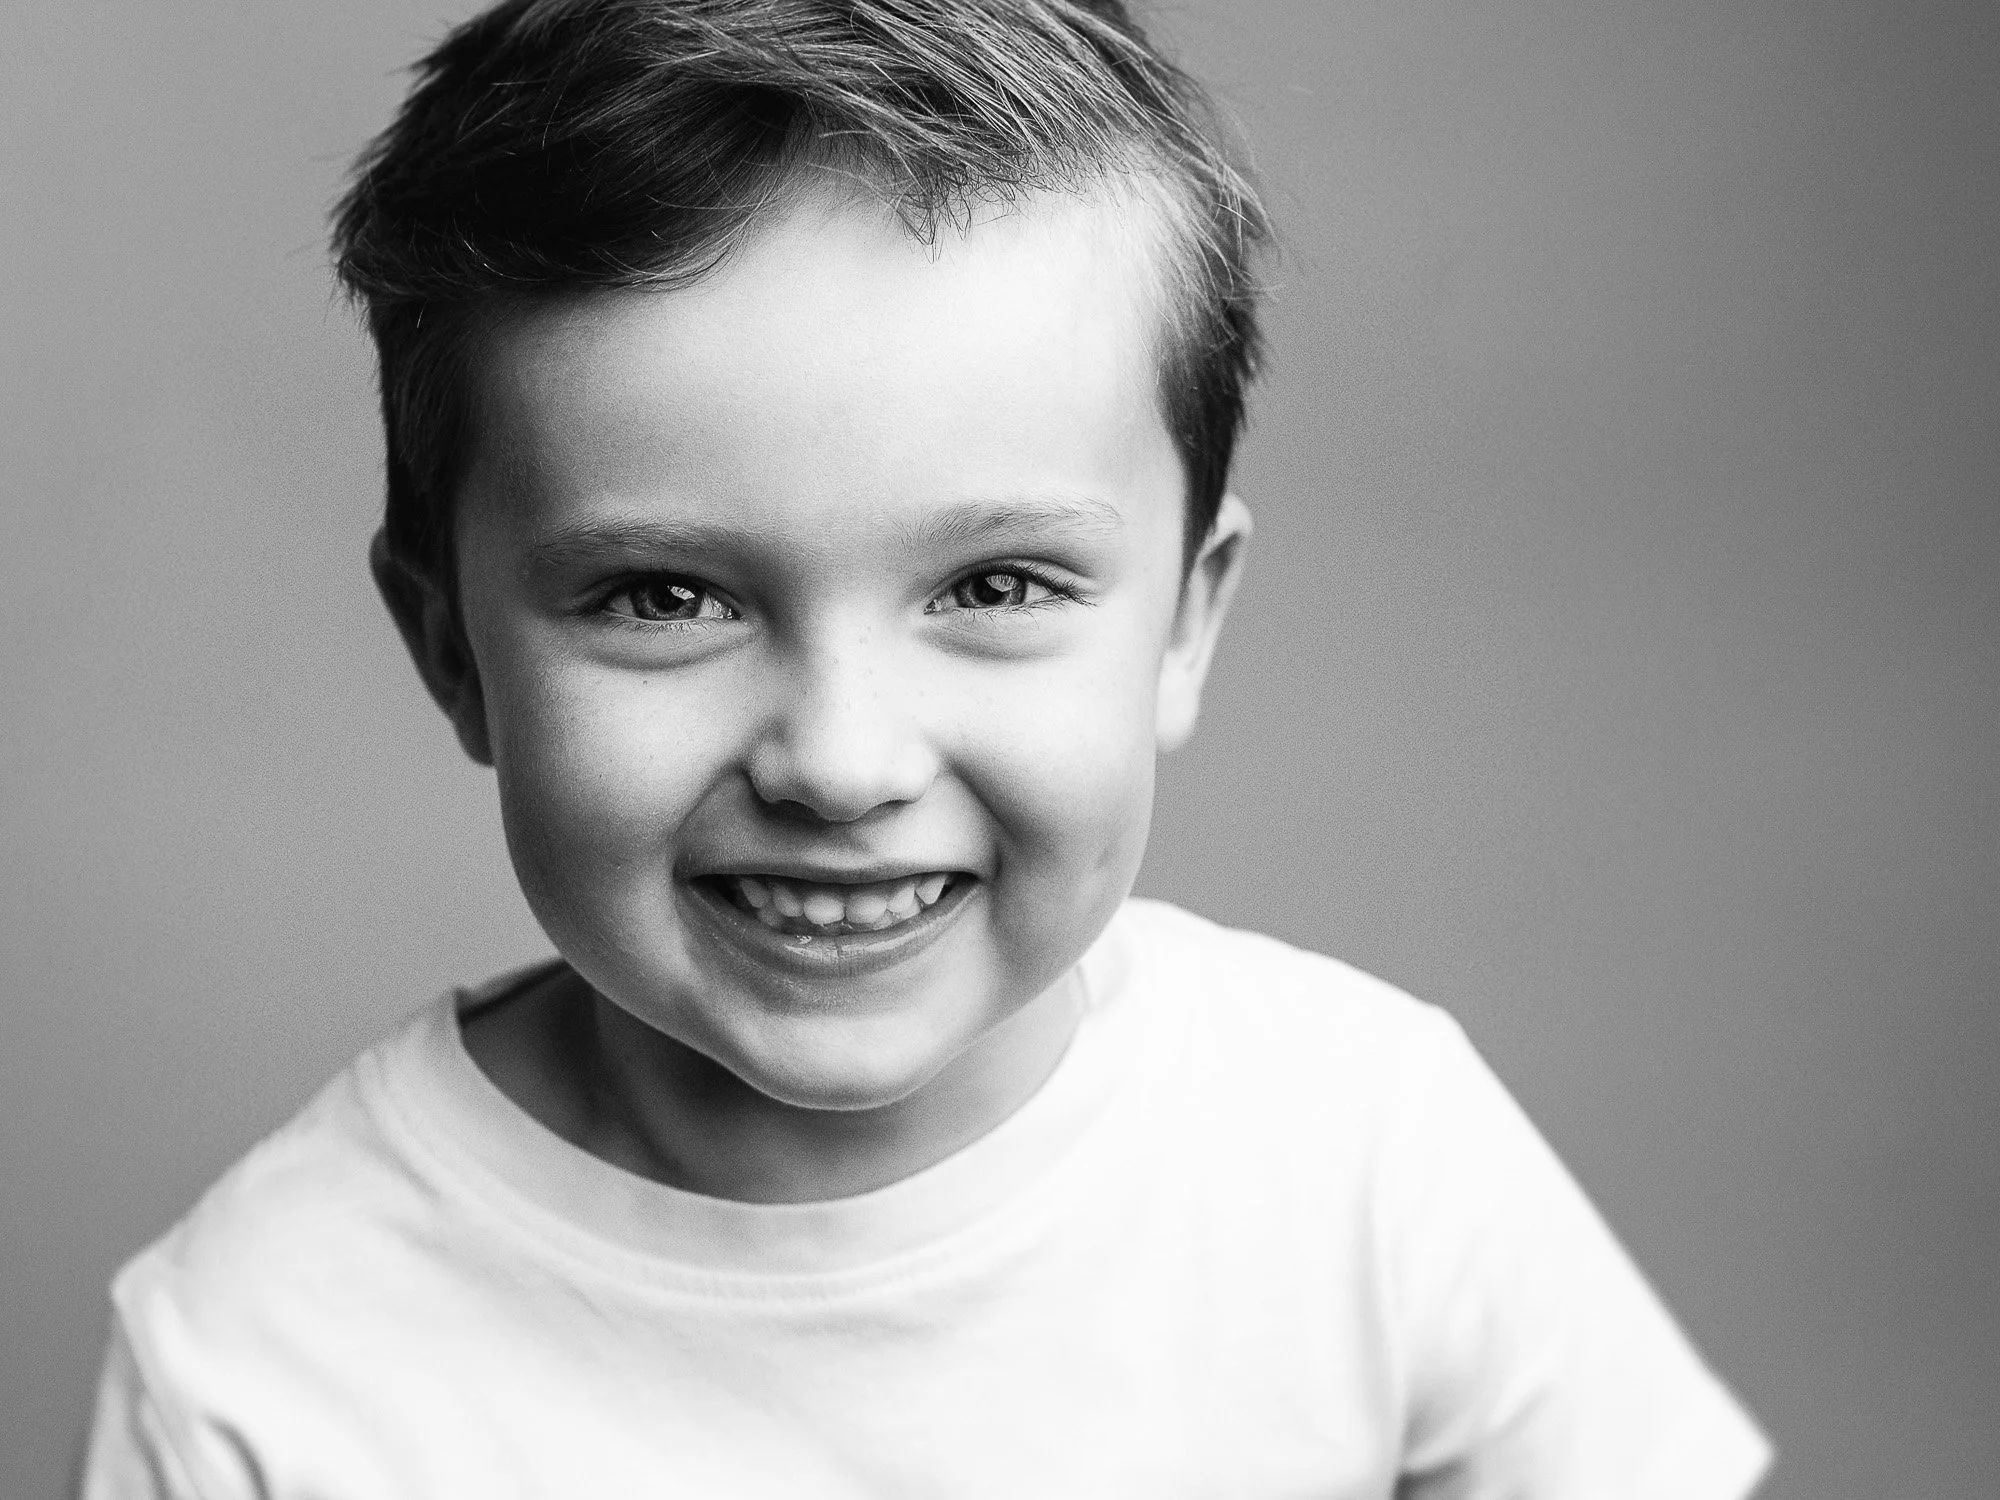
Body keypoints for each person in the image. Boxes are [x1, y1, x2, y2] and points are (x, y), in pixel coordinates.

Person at [79, 1, 1772, 1494]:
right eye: (666, 596)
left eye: (995, 583)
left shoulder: (1372, 1165)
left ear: (1187, 619)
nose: (840, 758)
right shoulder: (261, 1358)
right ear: (451, 642)